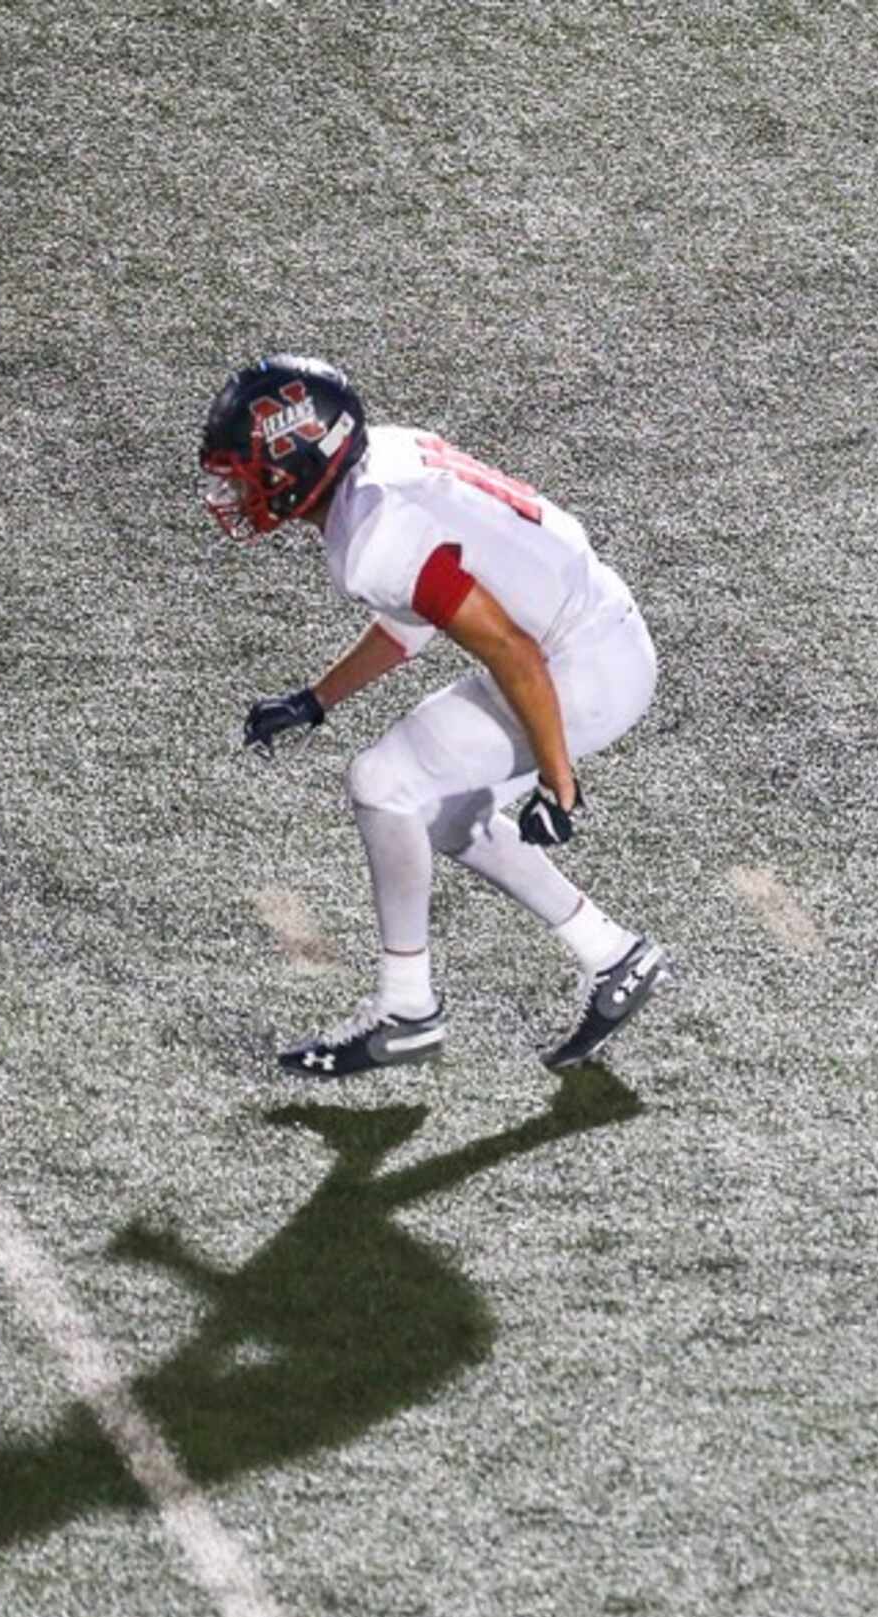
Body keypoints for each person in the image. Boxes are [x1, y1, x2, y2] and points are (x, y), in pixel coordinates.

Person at [197, 355, 670, 1077]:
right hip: (592, 636)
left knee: (383, 781)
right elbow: (417, 618)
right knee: (448, 814)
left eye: (249, 469)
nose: (236, 488)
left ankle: (406, 1011)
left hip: (579, 665)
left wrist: (557, 781)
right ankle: (613, 955)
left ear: (300, 459)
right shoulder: (381, 467)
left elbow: (509, 650)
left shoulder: (379, 532)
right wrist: (320, 699)